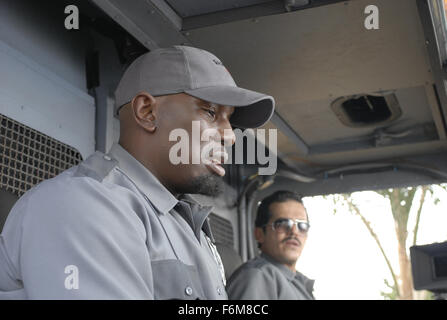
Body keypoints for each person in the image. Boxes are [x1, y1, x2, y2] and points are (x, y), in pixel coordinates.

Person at [0, 45, 275, 299]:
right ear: (147, 111)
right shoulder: (84, 205)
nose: (230, 137)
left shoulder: (188, 225)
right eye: (211, 113)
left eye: (230, 121)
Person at [226, 191, 315, 300]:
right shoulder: (256, 276)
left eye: (302, 226)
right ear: (259, 234)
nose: (294, 231)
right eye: (282, 224)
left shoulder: (297, 281)